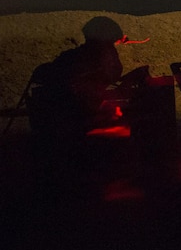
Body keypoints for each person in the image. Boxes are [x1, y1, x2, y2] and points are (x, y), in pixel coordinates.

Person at [28, 16, 128, 194]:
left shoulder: (72, 57)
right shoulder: (91, 58)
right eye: (111, 43)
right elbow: (109, 75)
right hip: (69, 113)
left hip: (58, 111)